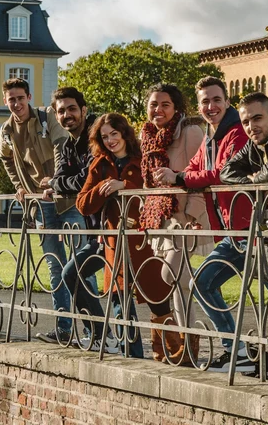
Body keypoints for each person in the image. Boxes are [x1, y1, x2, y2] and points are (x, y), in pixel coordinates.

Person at [157, 76, 253, 372]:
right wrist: (179, 175)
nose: (211, 106)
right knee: (203, 282)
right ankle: (236, 351)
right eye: (205, 102)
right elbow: (195, 168)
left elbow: (223, 174)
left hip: (249, 227)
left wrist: (180, 178)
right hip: (229, 229)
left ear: (227, 101)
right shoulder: (213, 135)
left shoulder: (237, 132)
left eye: (216, 100)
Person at [76, 114, 173, 359]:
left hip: (144, 239)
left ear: (124, 133)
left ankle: (171, 355)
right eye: (105, 136)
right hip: (114, 243)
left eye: (114, 134)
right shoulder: (99, 164)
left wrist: (125, 187)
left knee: (158, 300)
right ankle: (133, 357)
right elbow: (83, 205)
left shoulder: (143, 158)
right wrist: (103, 188)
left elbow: (156, 190)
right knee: (121, 303)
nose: (110, 140)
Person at [219, 92, 268, 384]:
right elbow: (227, 172)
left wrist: (259, 180)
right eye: (246, 121)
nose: (251, 126)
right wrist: (254, 181)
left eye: (257, 118)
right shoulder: (254, 147)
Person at [0, 77, 83, 343]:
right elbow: (5, 159)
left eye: (20, 98)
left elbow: (60, 147)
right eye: (11, 99)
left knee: (81, 265)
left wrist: (56, 181)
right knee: (55, 267)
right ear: (5, 101)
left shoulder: (47, 117)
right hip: (40, 207)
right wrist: (19, 187)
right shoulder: (6, 130)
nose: (16, 103)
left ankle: (94, 330)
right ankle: (64, 330)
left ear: (29, 97)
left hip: (68, 202)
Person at [140, 83, 209, 365]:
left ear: (176, 108)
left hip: (186, 219)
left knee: (174, 278)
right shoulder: (148, 137)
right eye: (154, 104)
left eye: (165, 104)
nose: (158, 110)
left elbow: (202, 174)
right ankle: (184, 346)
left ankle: (189, 343)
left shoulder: (190, 132)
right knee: (176, 282)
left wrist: (193, 214)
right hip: (162, 219)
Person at [39, 87, 103, 347]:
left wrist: (56, 183)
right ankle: (100, 334)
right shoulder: (67, 144)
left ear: (84, 110)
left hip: (114, 225)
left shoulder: (97, 137)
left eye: (72, 109)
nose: (67, 115)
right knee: (71, 273)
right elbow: (68, 178)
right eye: (61, 111)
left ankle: (116, 340)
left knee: (121, 288)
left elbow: (83, 179)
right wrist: (60, 182)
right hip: (94, 226)